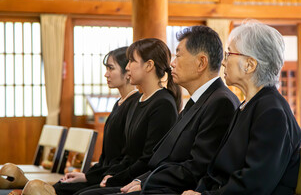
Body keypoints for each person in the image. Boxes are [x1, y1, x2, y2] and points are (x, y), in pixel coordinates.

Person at [85, 26, 240, 195]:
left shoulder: (220, 102)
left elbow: (197, 167)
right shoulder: (199, 100)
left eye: (178, 55)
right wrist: (141, 180)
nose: (172, 63)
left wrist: (146, 183)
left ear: (201, 63)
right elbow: (166, 157)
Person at [183, 20, 301, 195]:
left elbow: (254, 184)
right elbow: (217, 170)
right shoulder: (248, 105)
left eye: (229, 54)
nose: (223, 62)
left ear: (250, 65)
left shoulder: (272, 112)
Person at [53, 47, 141, 195]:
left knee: (63, 190)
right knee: (60, 185)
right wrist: (85, 175)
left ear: (127, 72)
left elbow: (125, 157)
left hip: (115, 176)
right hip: (104, 173)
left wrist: (92, 177)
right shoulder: (119, 102)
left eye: (111, 68)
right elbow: (106, 157)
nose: (106, 74)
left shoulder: (135, 104)